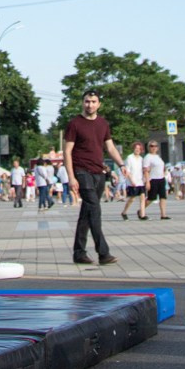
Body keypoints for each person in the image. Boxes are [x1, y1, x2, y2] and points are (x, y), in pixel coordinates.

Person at [62, 91, 124, 266]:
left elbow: (110, 147)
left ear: (99, 104)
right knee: (95, 211)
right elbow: (67, 151)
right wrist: (71, 177)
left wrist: (121, 165)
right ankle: (103, 253)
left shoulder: (103, 124)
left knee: (87, 214)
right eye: (87, 101)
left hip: (99, 173)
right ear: (82, 103)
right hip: (82, 171)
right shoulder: (74, 124)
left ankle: (79, 253)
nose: (90, 105)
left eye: (93, 102)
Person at [117, 141, 146, 220]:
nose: (137, 150)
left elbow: (143, 170)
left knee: (142, 198)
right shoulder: (130, 158)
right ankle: (124, 212)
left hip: (140, 181)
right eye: (136, 148)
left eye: (139, 149)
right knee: (132, 198)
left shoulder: (141, 159)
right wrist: (131, 180)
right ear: (133, 149)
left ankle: (142, 215)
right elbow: (128, 170)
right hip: (132, 182)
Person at [141, 140, 169, 219]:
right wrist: (147, 182)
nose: (153, 148)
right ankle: (141, 210)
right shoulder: (148, 157)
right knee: (151, 198)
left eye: (155, 146)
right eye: (151, 146)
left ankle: (163, 215)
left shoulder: (158, 156)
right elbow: (146, 170)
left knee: (163, 197)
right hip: (153, 179)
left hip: (161, 178)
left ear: (158, 148)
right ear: (148, 147)